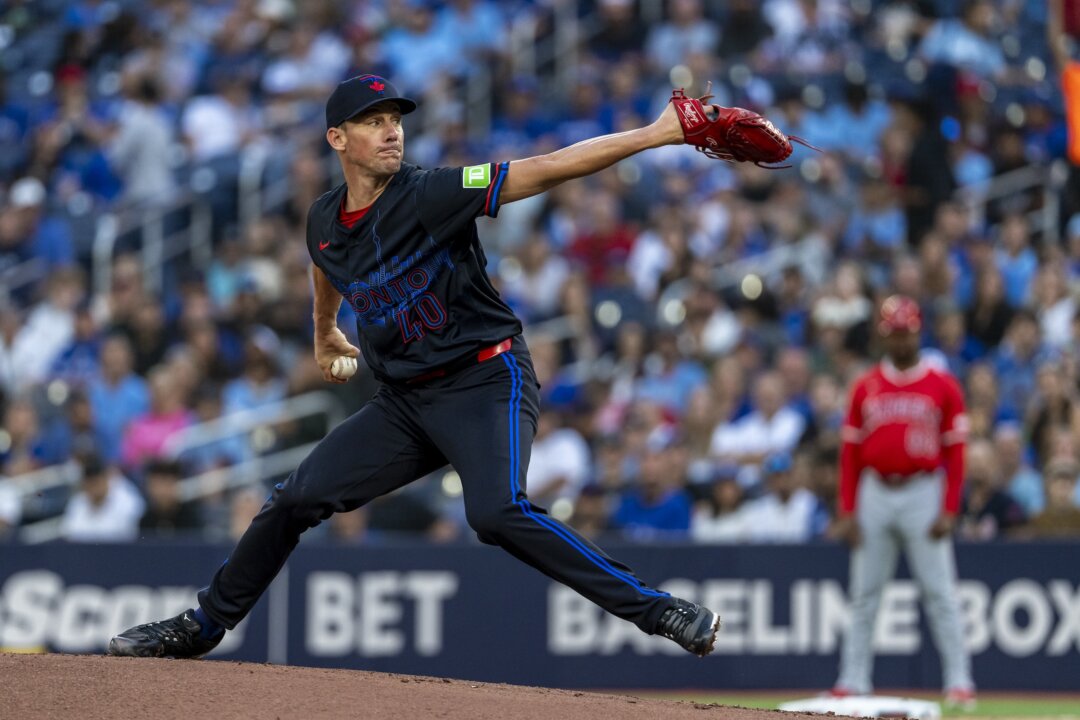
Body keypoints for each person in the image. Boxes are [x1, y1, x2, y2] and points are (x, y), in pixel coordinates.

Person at [108, 74, 724, 659]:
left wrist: (655, 134)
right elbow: (325, 262)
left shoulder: (431, 193)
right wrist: (325, 331)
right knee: (295, 498)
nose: (391, 131)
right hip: (405, 402)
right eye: (372, 122)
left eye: (394, 120)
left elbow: (543, 170)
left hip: (486, 378)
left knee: (494, 512)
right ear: (337, 140)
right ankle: (205, 623)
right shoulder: (322, 218)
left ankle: (658, 610)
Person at [829, 295, 976, 709]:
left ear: (918, 331)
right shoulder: (866, 385)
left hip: (922, 489)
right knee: (864, 593)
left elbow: (956, 453)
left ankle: (959, 681)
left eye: (905, 332)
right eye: (892, 333)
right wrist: (848, 508)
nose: (899, 341)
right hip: (875, 490)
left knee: (940, 592)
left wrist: (950, 507)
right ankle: (852, 679)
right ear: (883, 334)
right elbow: (850, 455)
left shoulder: (942, 383)